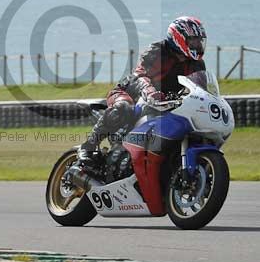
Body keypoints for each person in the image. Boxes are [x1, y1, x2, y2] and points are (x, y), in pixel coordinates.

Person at [77, 16, 208, 167]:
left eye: (199, 40)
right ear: (179, 37)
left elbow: (200, 89)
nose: (198, 44)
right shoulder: (158, 50)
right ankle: (87, 147)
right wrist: (151, 92)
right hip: (130, 92)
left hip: (164, 102)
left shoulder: (197, 64)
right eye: (193, 40)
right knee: (123, 108)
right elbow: (140, 74)